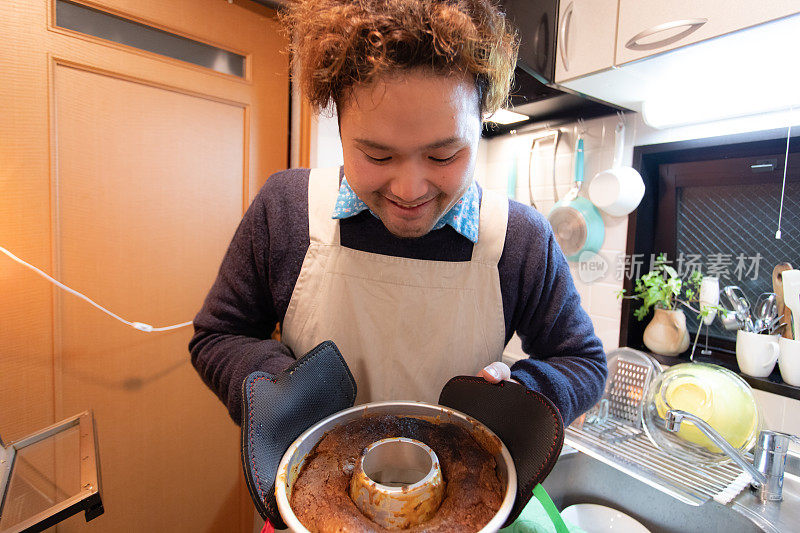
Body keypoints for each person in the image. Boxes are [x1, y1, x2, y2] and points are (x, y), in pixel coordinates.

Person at [189, 0, 606, 429]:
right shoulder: (287, 209)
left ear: (481, 123)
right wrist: (281, 386)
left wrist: (522, 394)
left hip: (461, 485)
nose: (410, 191)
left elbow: (583, 363)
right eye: (377, 155)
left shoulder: (519, 238)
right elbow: (219, 336)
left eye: (443, 155)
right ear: (340, 128)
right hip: (309, 486)